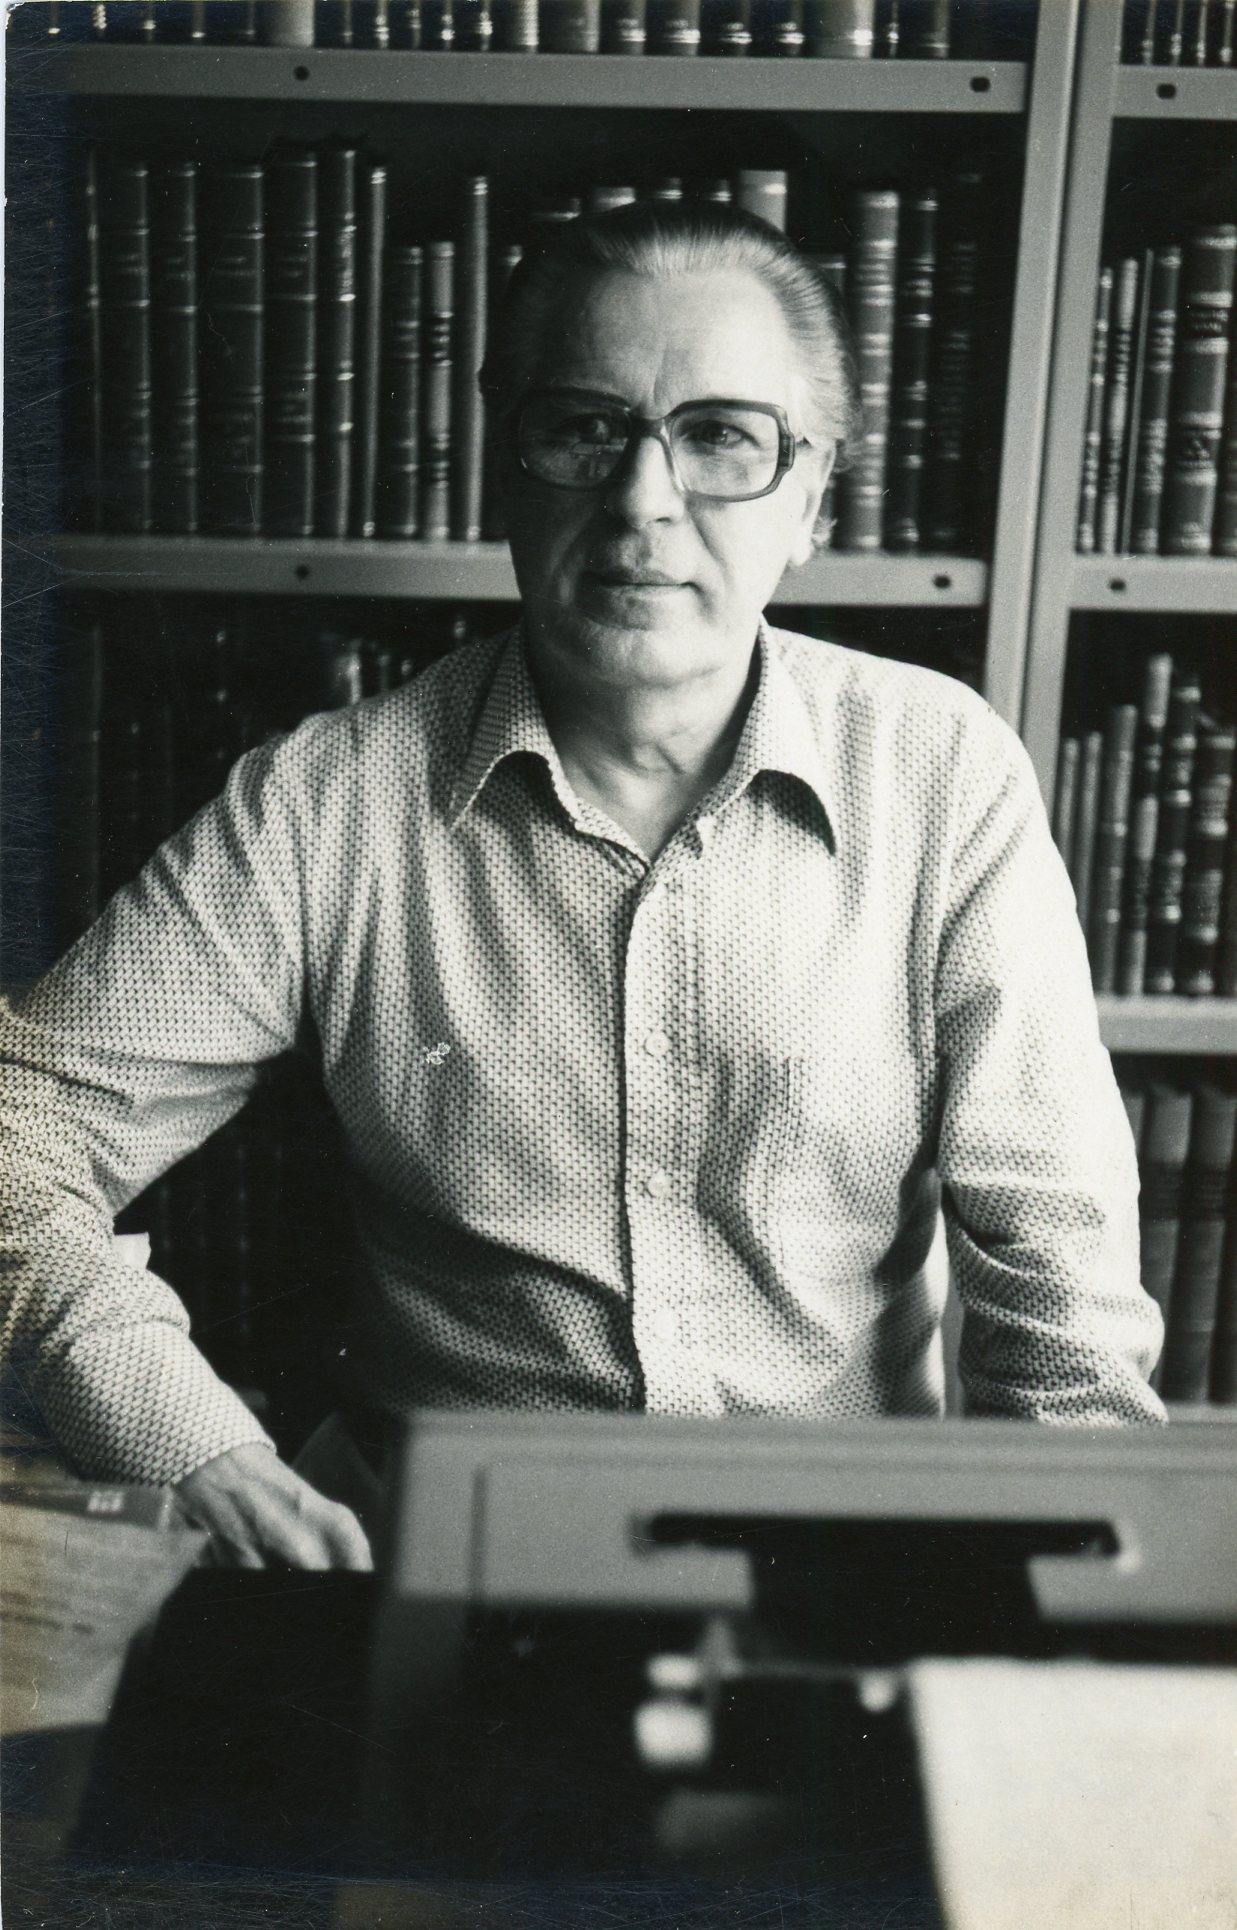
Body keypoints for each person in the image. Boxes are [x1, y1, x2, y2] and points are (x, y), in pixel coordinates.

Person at [0, 202, 1165, 1574]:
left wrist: (1059, 1599)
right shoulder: (328, 800)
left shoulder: (942, 773)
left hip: (835, 1570)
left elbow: (1059, 1283)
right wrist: (195, 1446)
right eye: (584, 428)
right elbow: (19, 1136)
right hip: (436, 1559)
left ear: (812, 500)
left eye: (721, 437)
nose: (642, 501)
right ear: (507, 461)